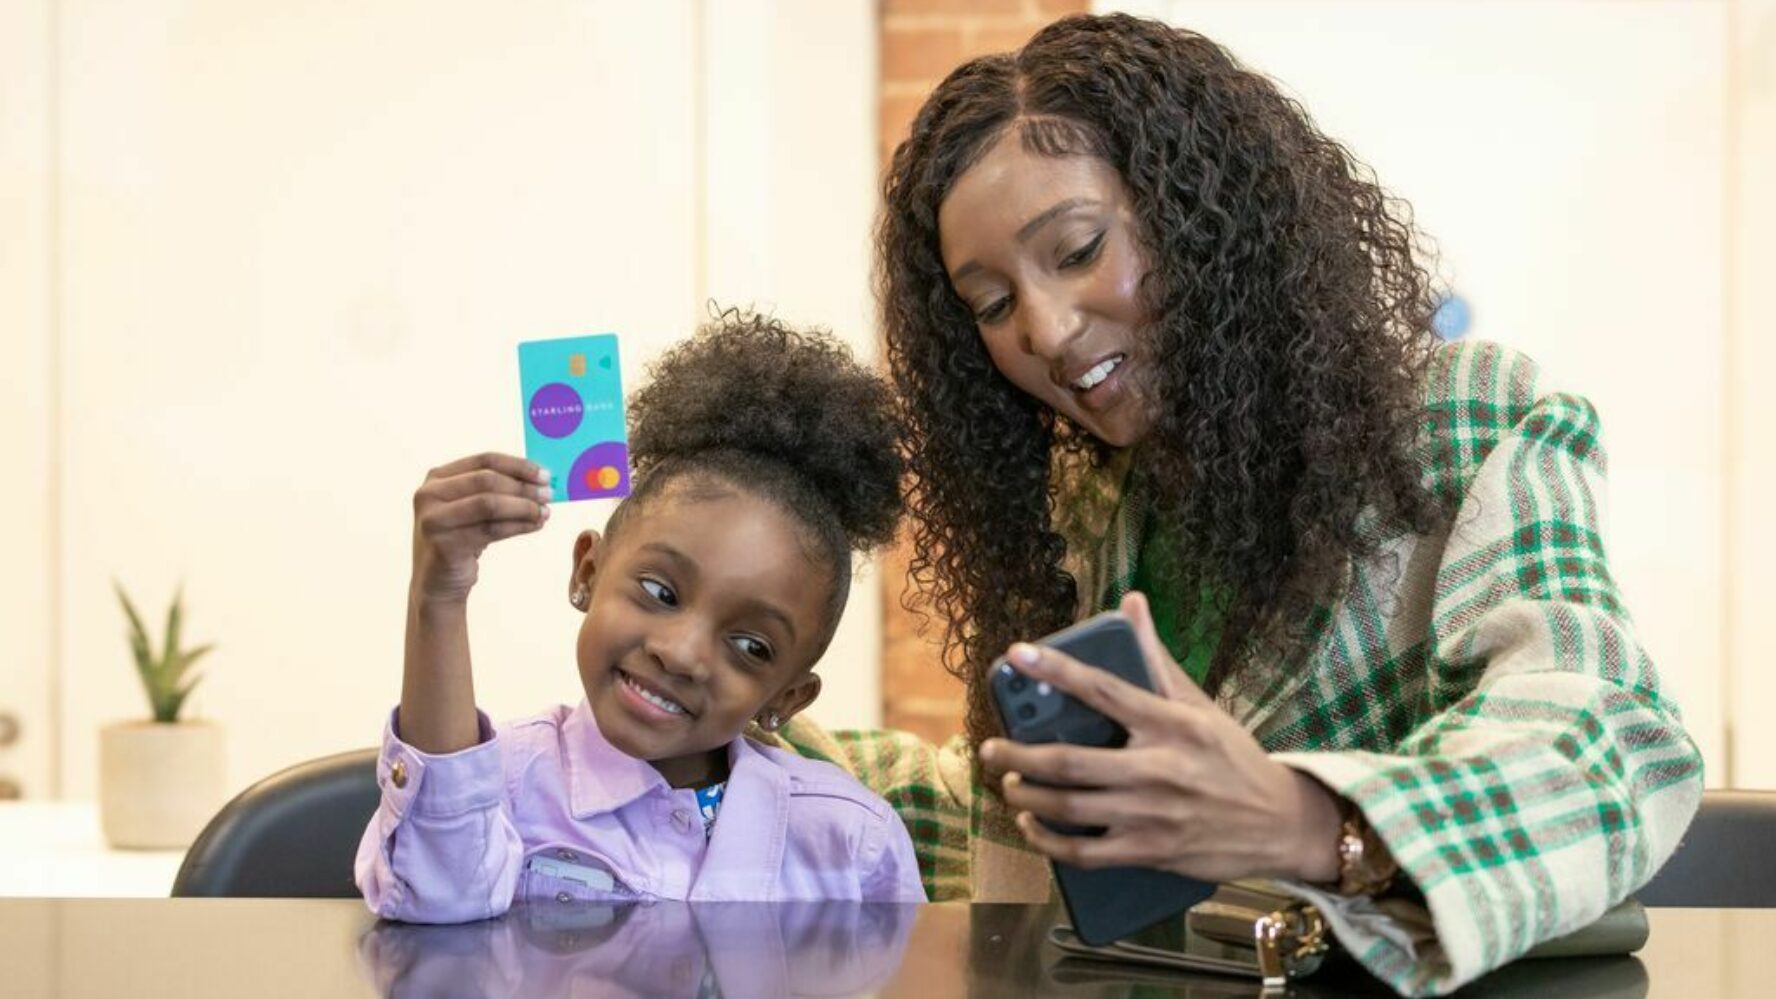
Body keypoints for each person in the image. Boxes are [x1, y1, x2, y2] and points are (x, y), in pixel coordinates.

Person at [761, 12, 1702, 995]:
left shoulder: (1463, 419)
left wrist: (1304, 820)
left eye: (1077, 249)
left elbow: (1605, 742)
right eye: (991, 305)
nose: (1043, 327)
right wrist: (736, 707)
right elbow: (998, 817)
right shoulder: (1085, 520)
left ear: (1203, 215)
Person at [355, 312, 927, 923]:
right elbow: (437, 896)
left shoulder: (852, 845)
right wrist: (438, 596)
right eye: (659, 590)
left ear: (786, 697)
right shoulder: (505, 786)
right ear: (588, 573)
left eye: (751, 646)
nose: (679, 652)